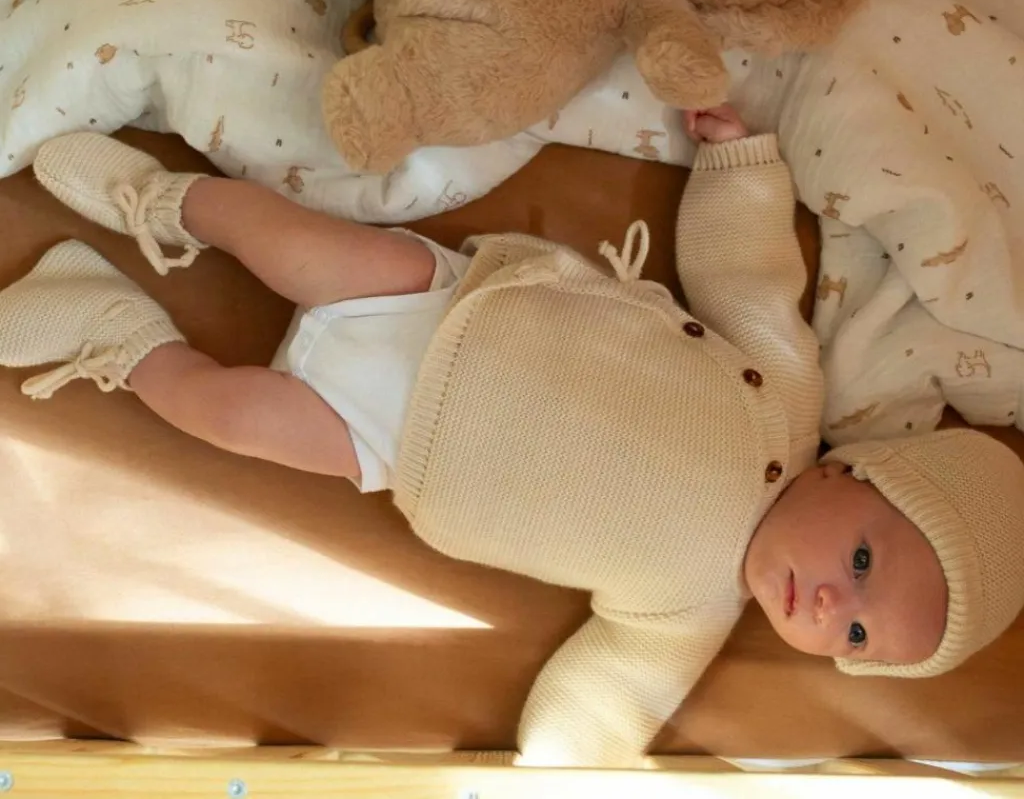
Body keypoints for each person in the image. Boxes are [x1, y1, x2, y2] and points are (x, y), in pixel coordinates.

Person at [3, 108, 1023, 768]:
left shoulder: (689, 612)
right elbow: (746, 273)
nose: (831, 605)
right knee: (285, 239)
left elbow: (609, 690)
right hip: (451, 309)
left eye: (854, 638)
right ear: (854, 472)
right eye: (861, 561)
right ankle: (168, 201)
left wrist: (569, 775)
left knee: (230, 416)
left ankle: (116, 331)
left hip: (393, 440)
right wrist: (738, 159)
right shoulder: (784, 392)